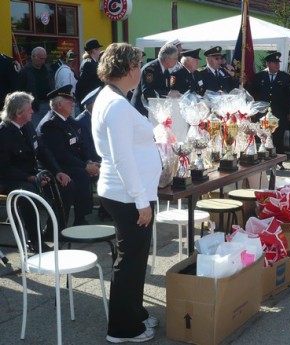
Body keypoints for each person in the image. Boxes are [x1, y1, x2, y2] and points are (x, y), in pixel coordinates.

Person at [92, 42, 162, 343]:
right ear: (129, 68)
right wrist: (141, 201)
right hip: (127, 194)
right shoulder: (117, 104)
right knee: (130, 261)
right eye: (138, 64)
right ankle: (122, 329)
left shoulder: (113, 97)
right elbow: (122, 157)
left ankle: (136, 313)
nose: (141, 70)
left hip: (127, 192)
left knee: (134, 258)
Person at [0, 91, 72, 251]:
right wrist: (30, 178)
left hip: (32, 174)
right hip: (11, 179)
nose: (32, 111)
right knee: (28, 194)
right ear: (18, 113)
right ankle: (35, 241)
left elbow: (43, 151)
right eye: (29, 109)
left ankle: (54, 230)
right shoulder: (4, 133)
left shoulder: (28, 126)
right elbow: (4, 168)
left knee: (63, 184)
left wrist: (57, 171)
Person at [38, 84, 99, 226]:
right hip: (57, 166)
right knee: (81, 174)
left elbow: (80, 143)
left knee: (90, 171)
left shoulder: (67, 120)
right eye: (69, 102)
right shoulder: (50, 124)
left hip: (70, 162)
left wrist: (88, 161)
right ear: (59, 105)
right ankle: (78, 219)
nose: (73, 104)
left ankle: (83, 217)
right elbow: (61, 155)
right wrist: (85, 166)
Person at [251, 52, 290, 170]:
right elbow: (253, 93)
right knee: (264, 137)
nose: (277, 65)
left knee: (278, 138)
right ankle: (264, 161)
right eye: (274, 63)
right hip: (263, 114)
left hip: (278, 113)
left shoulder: (284, 77)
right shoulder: (259, 76)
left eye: (278, 63)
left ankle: (279, 162)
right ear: (268, 64)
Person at [130, 43, 178, 116]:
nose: (177, 61)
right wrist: (168, 94)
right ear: (167, 59)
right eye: (175, 59)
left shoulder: (166, 70)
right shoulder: (151, 69)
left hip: (153, 110)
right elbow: (147, 92)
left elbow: (163, 88)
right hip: (141, 111)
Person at [17, 47, 54, 127]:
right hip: (33, 107)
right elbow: (19, 90)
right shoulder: (25, 71)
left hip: (49, 105)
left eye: (44, 59)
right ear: (33, 57)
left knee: (48, 129)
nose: (43, 61)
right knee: (35, 129)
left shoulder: (48, 70)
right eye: (41, 58)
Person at [75, 39, 104, 105]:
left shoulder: (92, 62)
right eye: (98, 49)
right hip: (89, 100)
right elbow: (81, 83)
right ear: (94, 50)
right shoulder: (88, 64)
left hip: (92, 99)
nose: (99, 52)